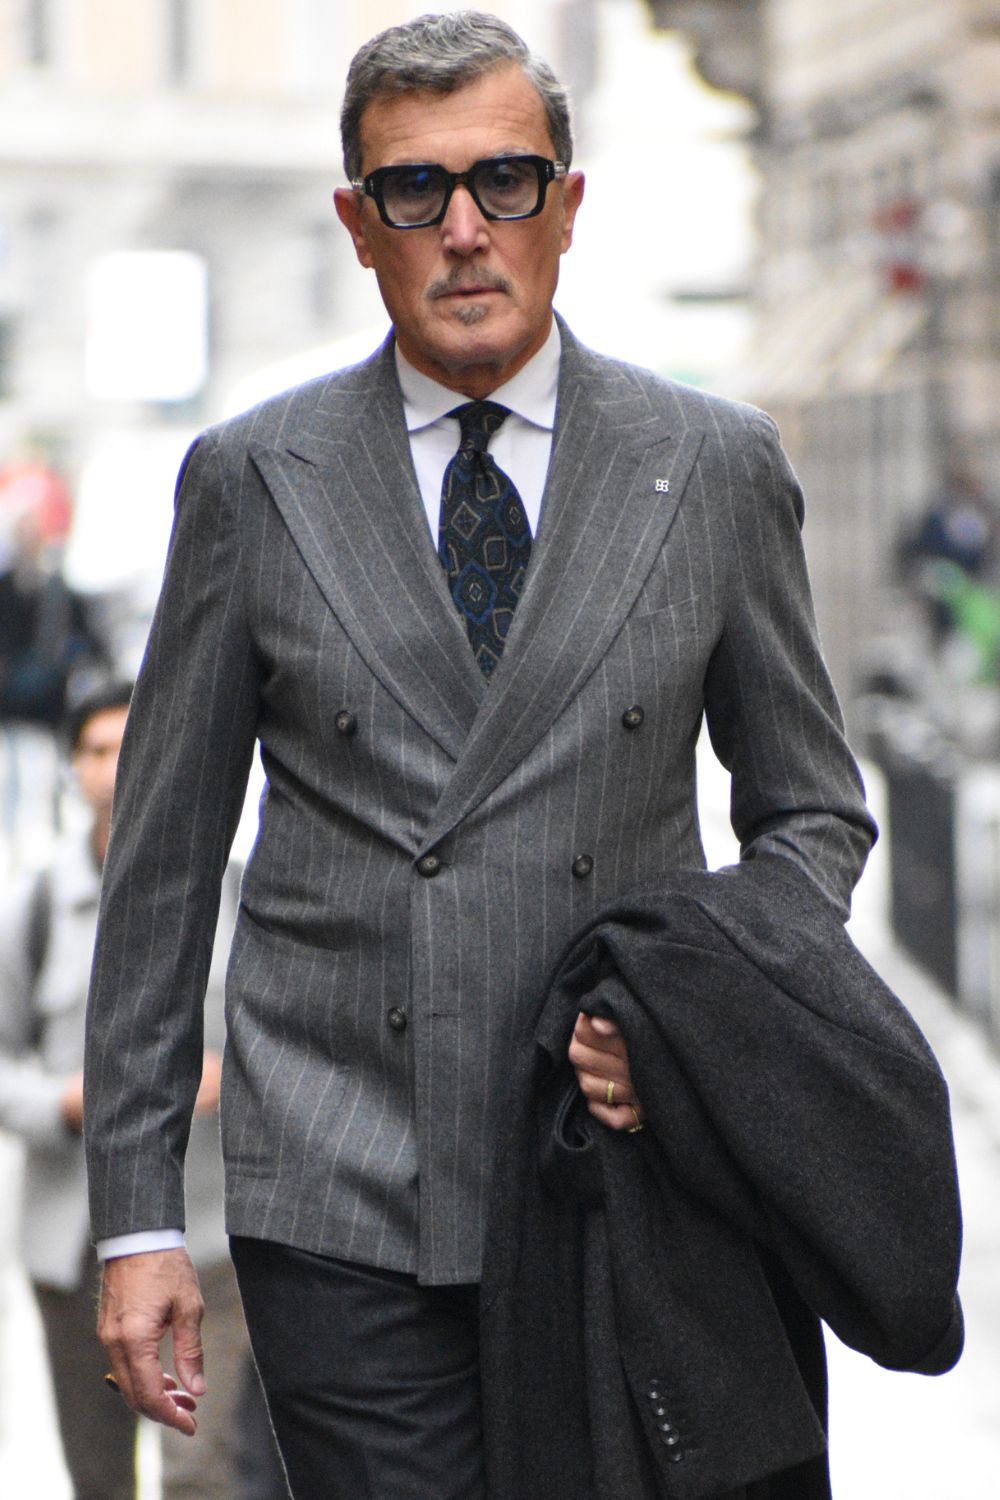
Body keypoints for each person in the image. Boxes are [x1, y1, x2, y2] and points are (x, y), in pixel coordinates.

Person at [84, 13, 882, 1498]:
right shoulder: (254, 479)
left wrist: (691, 1017)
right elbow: (160, 876)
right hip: (339, 1187)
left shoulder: (711, 465)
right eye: (414, 191)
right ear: (356, 225)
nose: (464, 231)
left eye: (505, 182)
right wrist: (136, 1220)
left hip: (619, 1171)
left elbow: (812, 815)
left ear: (566, 205)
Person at [0, 680, 286, 1500]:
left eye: (130, 744)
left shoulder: (241, 893)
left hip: (212, 1236)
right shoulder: (36, 903)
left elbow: (302, 1039)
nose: (115, 767)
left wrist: (232, 1077)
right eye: (96, 750)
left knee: (201, 1470)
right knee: (96, 1475)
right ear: (72, 765)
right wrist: (63, 1103)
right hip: (72, 1245)